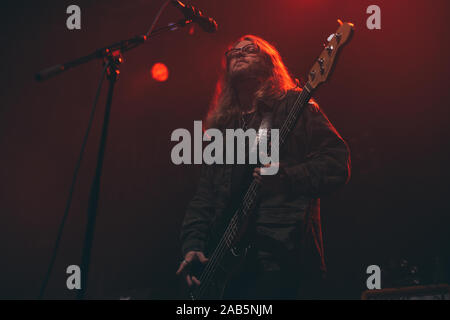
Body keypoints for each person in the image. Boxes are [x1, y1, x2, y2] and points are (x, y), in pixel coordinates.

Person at [176, 35, 351, 299]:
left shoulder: (294, 105)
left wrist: (286, 177)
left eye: (249, 49)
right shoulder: (224, 129)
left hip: (282, 258)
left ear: (269, 63)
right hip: (229, 270)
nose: (238, 53)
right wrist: (193, 245)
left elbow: (337, 163)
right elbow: (204, 197)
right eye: (233, 52)